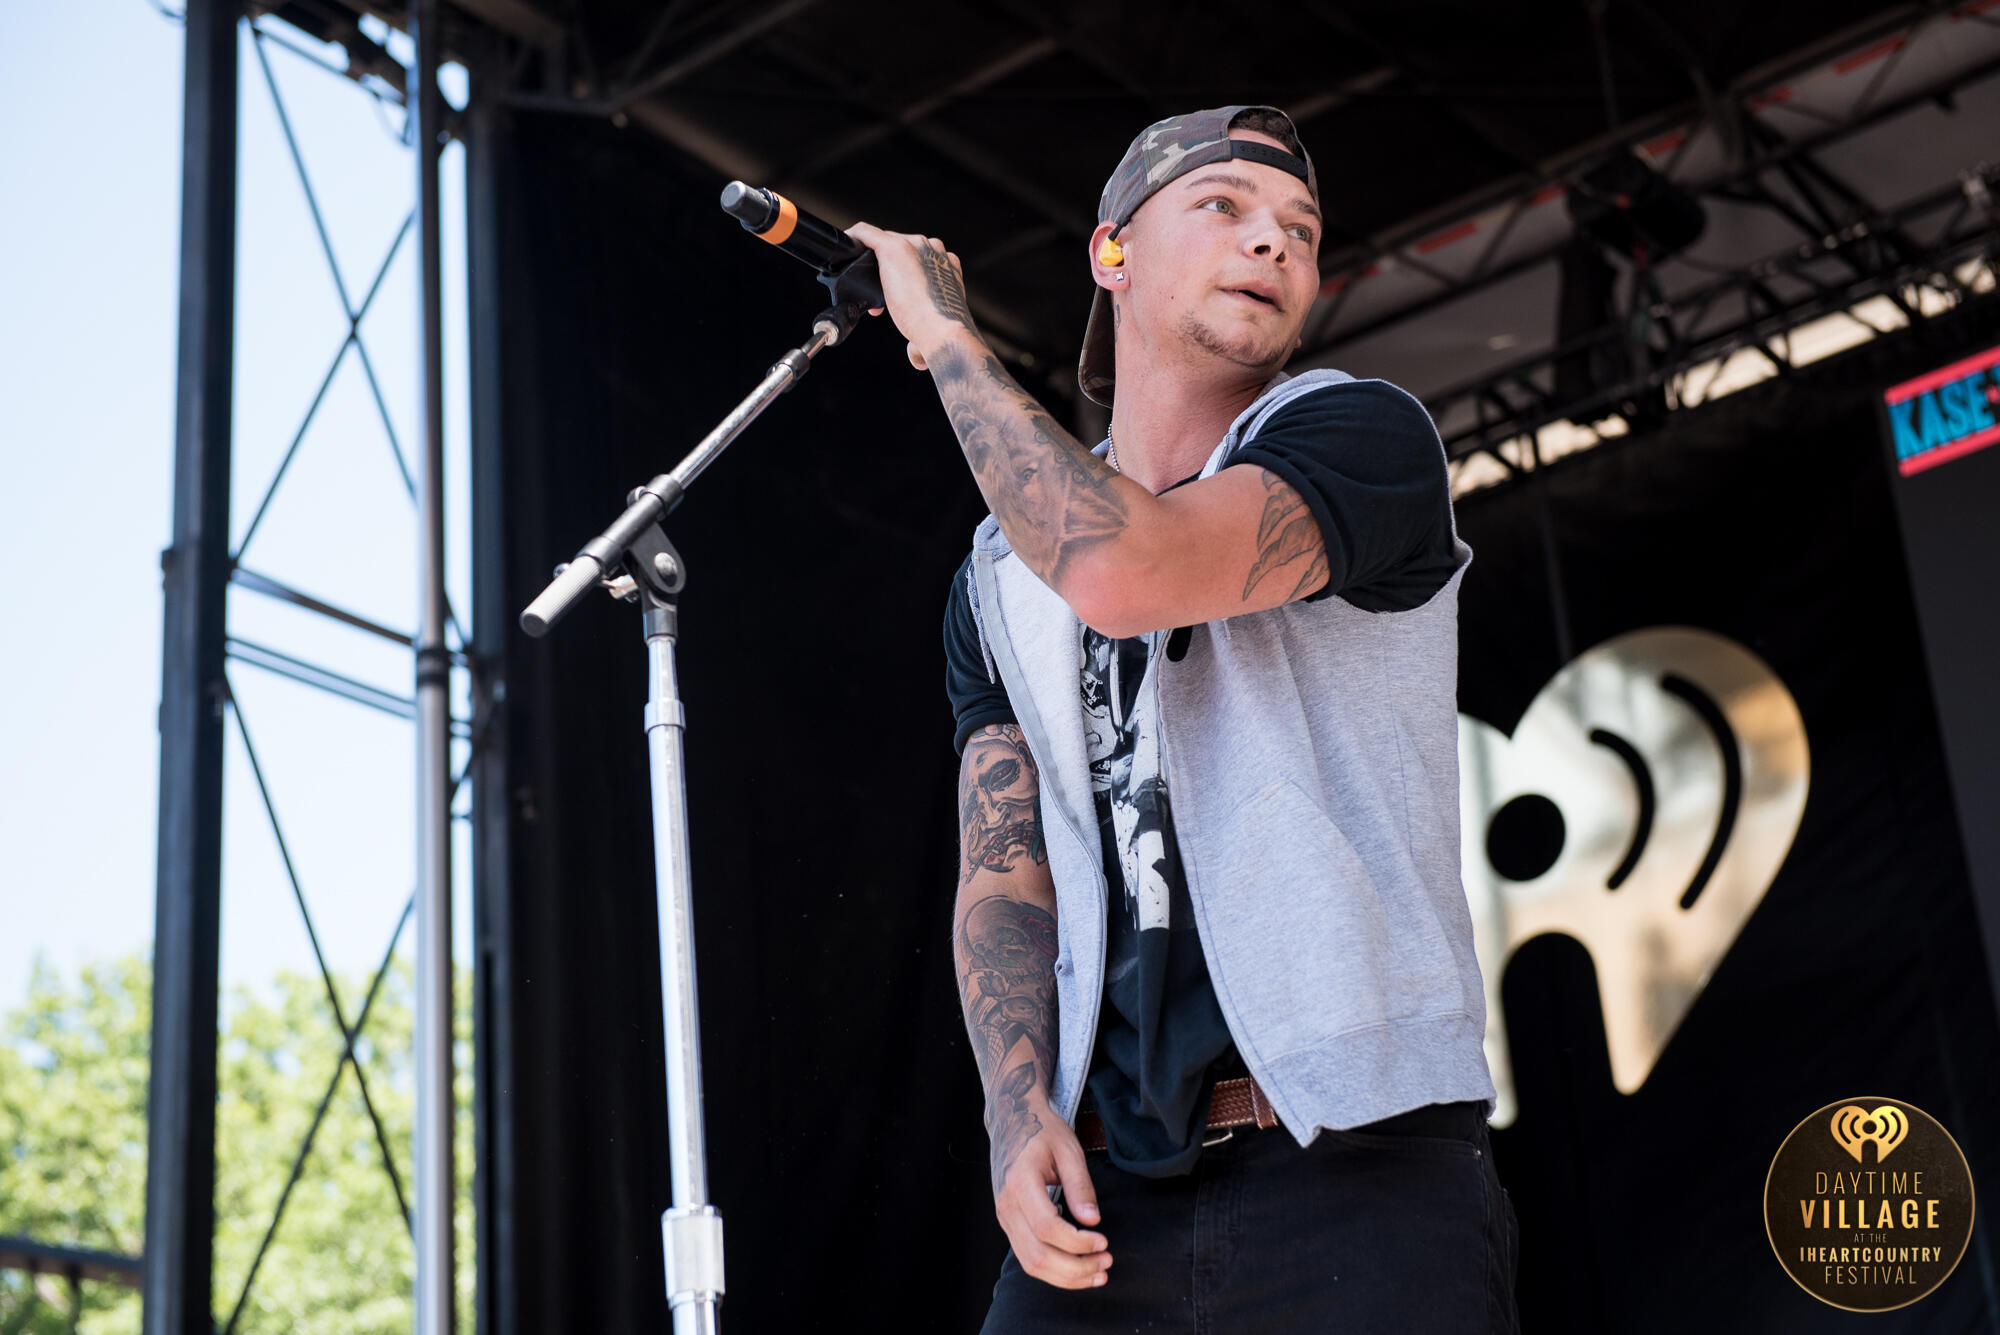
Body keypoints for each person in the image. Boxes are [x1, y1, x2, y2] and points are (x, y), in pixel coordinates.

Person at [849, 104, 1521, 1333]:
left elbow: (1125, 571)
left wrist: (945, 335)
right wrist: (1016, 1115)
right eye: (1223, 208)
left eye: (1298, 232)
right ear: (1110, 253)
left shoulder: (1360, 435)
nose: (1271, 242)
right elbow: (1004, 872)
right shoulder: (997, 576)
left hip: (1358, 1172)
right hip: (1109, 1201)